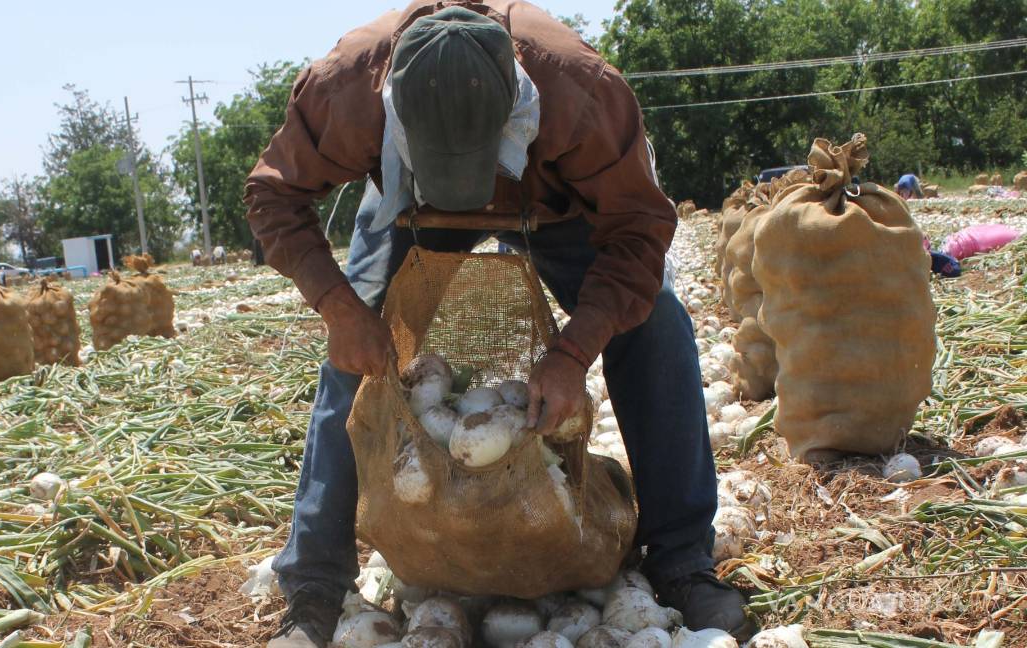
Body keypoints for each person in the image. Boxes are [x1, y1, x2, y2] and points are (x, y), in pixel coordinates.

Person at [244, 3, 754, 646]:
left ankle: (682, 558)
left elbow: (639, 234)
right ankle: (315, 578)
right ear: (392, 109)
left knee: (657, 325)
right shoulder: (347, 89)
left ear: (518, 105)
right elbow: (272, 194)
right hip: (409, 208)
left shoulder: (583, 93)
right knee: (360, 349)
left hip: (554, 204)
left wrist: (573, 352)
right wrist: (338, 308)